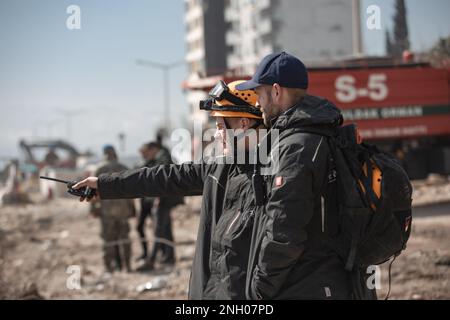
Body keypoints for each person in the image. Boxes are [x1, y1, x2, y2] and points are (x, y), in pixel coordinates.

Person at [73, 80, 266, 299]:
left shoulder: (272, 179)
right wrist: (104, 185)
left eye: (221, 127)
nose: (216, 134)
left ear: (243, 124)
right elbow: (162, 177)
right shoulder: (218, 167)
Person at [235, 51, 375, 300]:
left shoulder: (295, 147)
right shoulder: (324, 132)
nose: (257, 104)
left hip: (307, 285)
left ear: (276, 91)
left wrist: (259, 290)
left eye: (259, 93)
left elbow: (284, 231)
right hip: (333, 279)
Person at [137, 141, 184, 271]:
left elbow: (163, 179)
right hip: (164, 199)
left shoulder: (163, 158)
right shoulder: (160, 157)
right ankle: (168, 257)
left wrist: (159, 197)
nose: (146, 155)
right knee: (166, 230)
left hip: (163, 200)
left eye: (147, 152)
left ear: (154, 149)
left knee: (159, 230)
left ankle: (151, 260)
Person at [90, 145, 135, 273]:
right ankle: (128, 266)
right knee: (124, 238)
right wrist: (132, 208)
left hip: (106, 210)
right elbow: (132, 191)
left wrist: (93, 208)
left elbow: (92, 191)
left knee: (108, 240)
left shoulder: (99, 169)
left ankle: (108, 267)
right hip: (123, 210)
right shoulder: (123, 168)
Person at [135, 142, 159, 261]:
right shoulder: (145, 164)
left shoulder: (156, 163)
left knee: (157, 228)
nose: (143, 155)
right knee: (139, 227)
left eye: (145, 153)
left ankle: (157, 254)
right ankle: (145, 253)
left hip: (153, 201)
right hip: (145, 201)